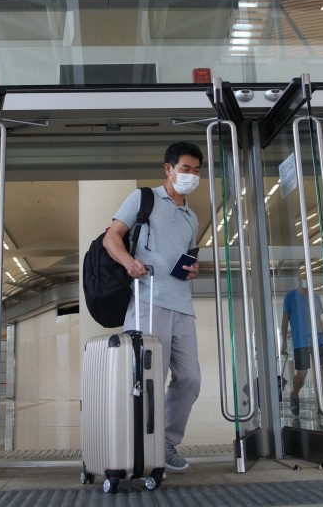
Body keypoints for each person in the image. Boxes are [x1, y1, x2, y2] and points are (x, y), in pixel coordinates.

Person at [103, 141, 202, 472]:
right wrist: (129, 261)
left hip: (182, 306)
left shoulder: (192, 217)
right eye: (185, 168)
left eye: (196, 170)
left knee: (189, 379)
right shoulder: (143, 199)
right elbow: (111, 237)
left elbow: (187, 259)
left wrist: (193, 267)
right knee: (146, 379)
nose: (191, 175)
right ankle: (140, 448)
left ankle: (165, 442)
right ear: (169, 169)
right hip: (148, 300)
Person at [280, 265, 323, 417]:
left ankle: (321, 405)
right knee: (302, 374)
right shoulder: (290, 297)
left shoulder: (315, 298)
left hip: (318, 339)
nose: (306, 279)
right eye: (304, 276)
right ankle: (295, 394)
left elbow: (319, 319)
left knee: (320, 372)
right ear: (299, 279)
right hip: (301, 340)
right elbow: (285, 320)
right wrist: (283, 341)